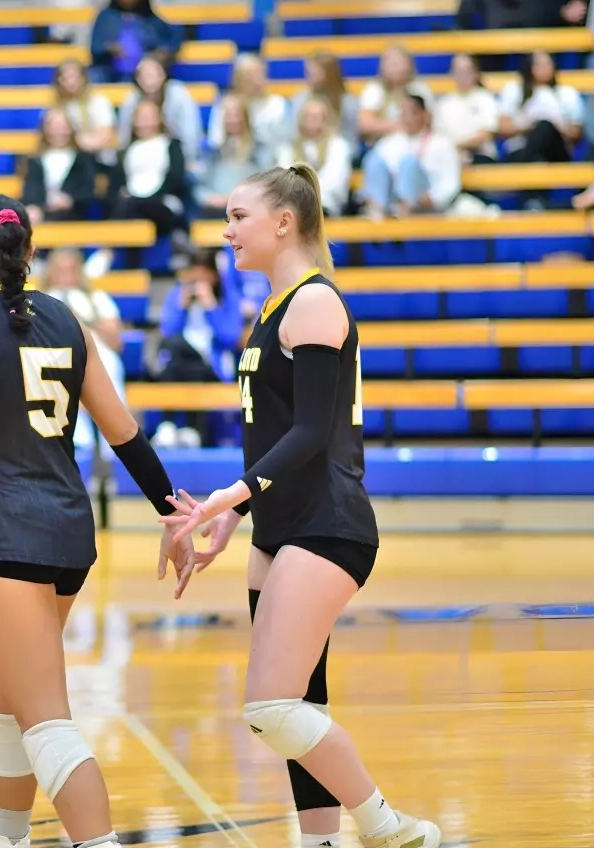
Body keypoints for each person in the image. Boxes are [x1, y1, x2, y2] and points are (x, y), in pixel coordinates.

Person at [0, 194, 195, 848]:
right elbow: (126, 435)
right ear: (27, 252)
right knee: (4, 695)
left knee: (47, 722)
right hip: (68, 536)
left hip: (7, 539)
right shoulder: (69, 321)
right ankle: (8, 837)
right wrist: (173, 514)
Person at [160, 164, 442, 848]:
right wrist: (237, 516)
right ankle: (320, 841)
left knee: (269, 708)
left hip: (328, 520)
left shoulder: (315, 303)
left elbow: (314, 432)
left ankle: (386, 827)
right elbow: (275, 432)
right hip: (281, 525)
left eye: (237, 217)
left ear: (283, 222)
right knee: (301, 705)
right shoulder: (272, 305)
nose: (225, 232)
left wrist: (232, 493)